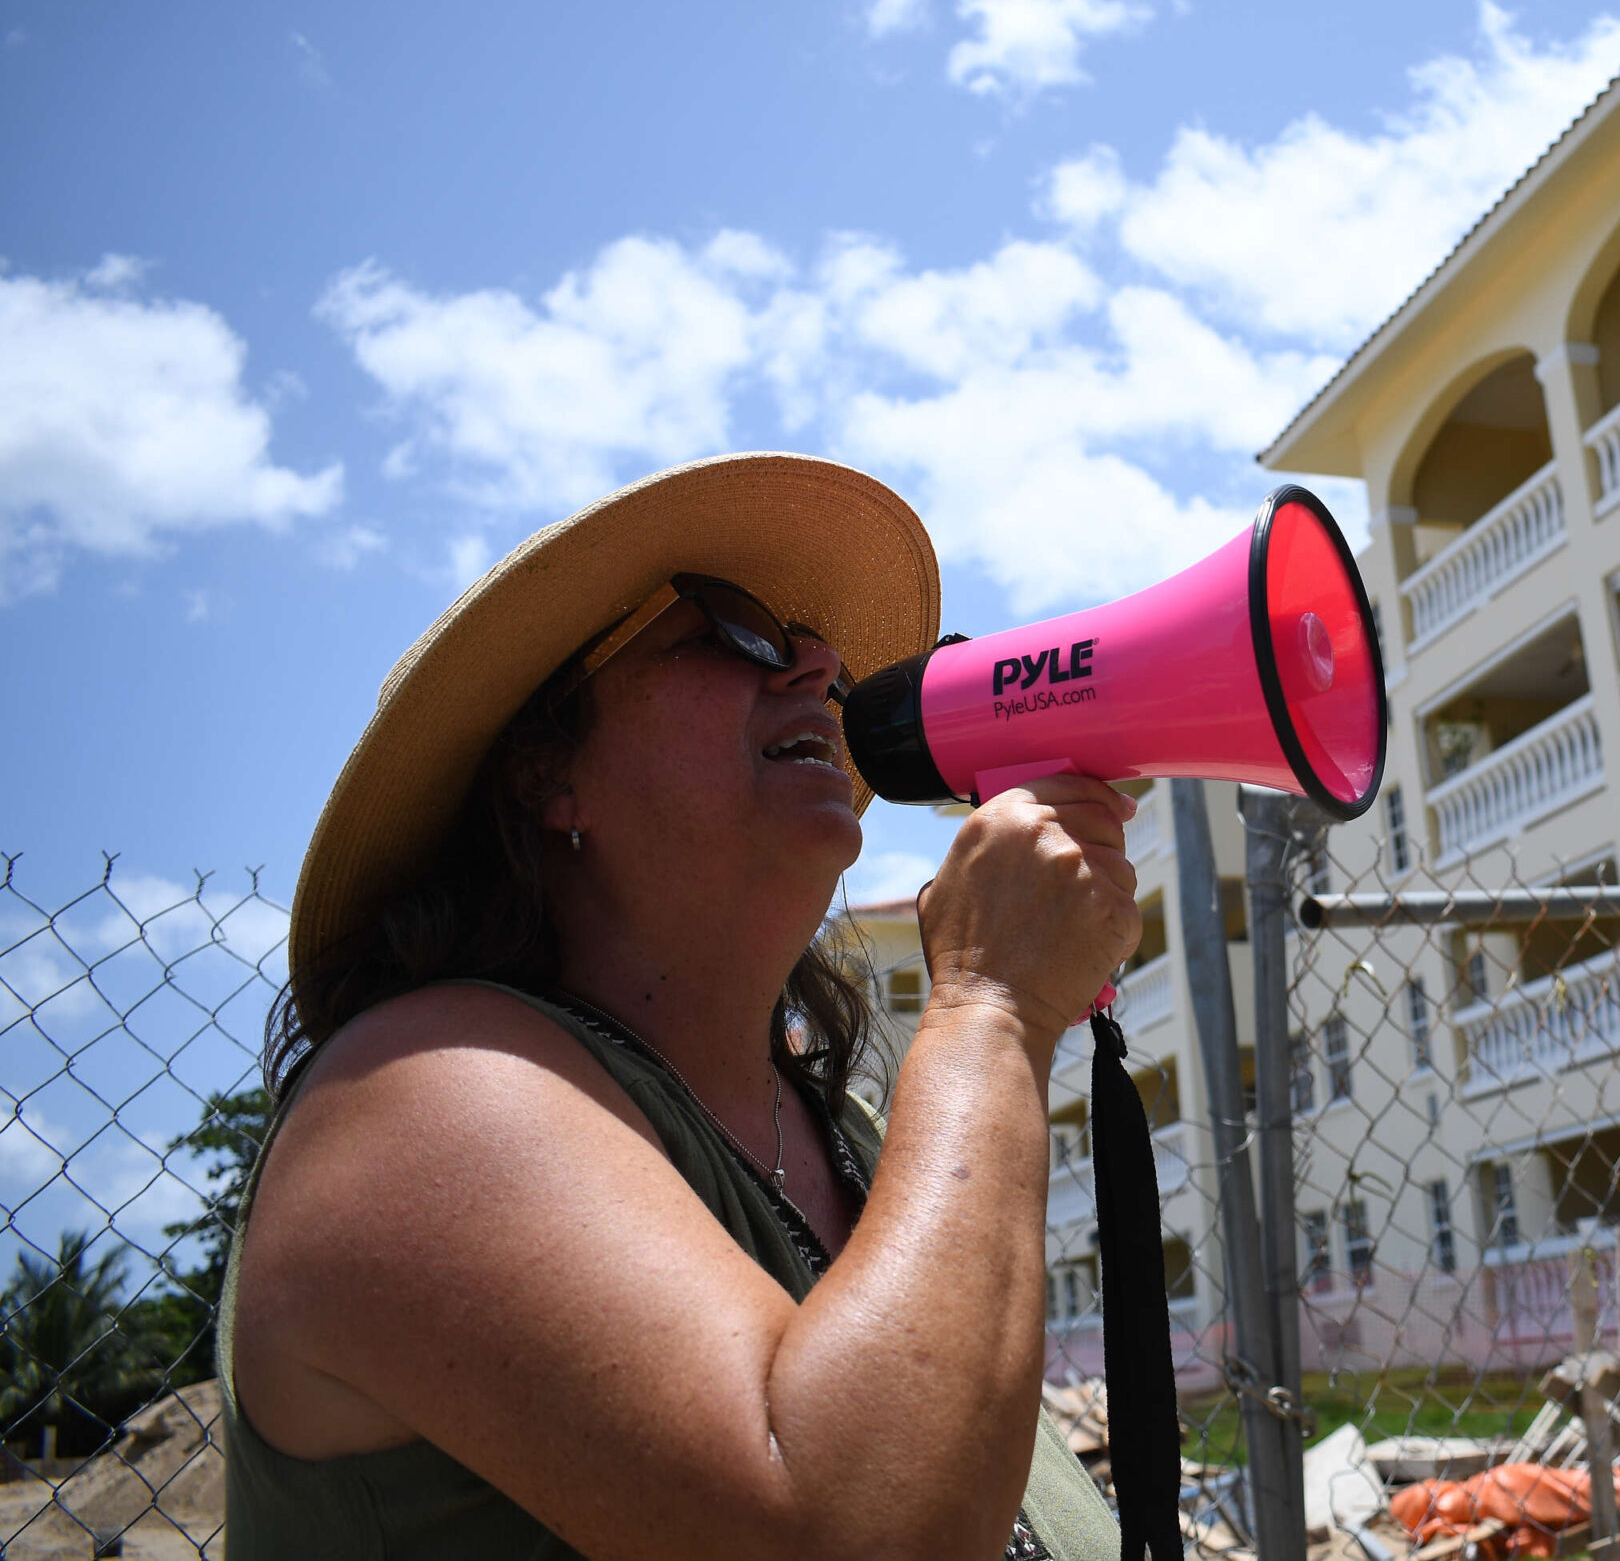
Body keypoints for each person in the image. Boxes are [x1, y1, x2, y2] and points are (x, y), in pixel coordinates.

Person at [221, 453, 1141, 1559]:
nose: (821, 664)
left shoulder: (847, 1134)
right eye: (733, 630)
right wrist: (992, 1006)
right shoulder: (422, 1095)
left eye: (815, 642)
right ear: (543, 772)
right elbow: (853, 1527)